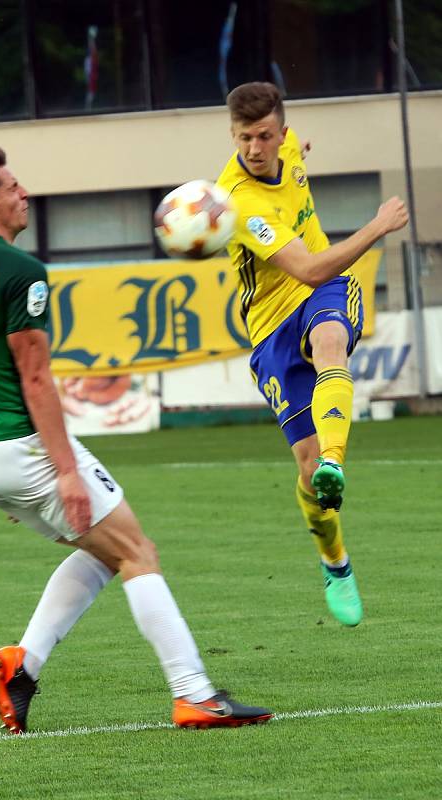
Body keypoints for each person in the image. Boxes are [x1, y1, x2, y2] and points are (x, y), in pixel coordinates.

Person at [0, 144, 273, 734]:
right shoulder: (21, 272)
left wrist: (5, 472)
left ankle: (24, 664)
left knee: (103, 554)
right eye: (14, 187)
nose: (25, 194)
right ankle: (194, 694)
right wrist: (64, 471)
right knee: (138, 553)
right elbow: (35, 377)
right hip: (23, 450)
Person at [216, 82, 409, 627]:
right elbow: (307, 268)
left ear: (281, 132)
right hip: (272, 325)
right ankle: (336, 563)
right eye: (244, 138)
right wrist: (377, 225)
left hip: (323, 295)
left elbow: (322, 279)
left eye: (265, 136)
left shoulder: (288, 145)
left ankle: (335, 461)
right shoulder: (241, 203)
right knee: (304, 472)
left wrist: (296, 154)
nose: (255, 148)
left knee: (330, 344)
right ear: (232, 136)